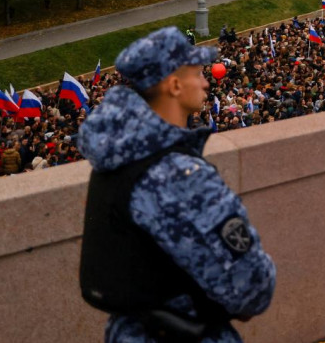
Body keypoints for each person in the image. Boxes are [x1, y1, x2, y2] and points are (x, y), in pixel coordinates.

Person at [78, 27, 277, 342]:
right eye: (197, 73)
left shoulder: (118, 158)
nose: (206, 81)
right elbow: (251, 287)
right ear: (173, 85)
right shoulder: (180, 177)